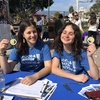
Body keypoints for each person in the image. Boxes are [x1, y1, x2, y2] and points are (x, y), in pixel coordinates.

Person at [0, 19, 52, 85]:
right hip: (23, 80)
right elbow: (6, 70)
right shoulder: (18, 48)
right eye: (29, 33)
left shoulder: (44, 47)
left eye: (34, 31)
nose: (32, 35)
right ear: (23, 35)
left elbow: (48, 67)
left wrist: (34, 77)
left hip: (39, 78)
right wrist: (2, 52)